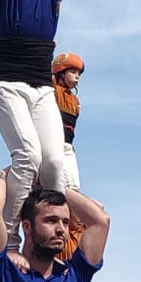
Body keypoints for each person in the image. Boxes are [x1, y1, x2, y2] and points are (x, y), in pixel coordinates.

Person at [0, 0, 96, 255]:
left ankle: (46, 244)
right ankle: (10, 241)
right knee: (28, 156)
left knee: (54, 164)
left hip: (40, 85)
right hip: (5, 81)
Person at [52, 51, 85, 191]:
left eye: (79, 73)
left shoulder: (74, 100)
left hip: (67, 145)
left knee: (74, 186)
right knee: (62, 184)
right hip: (53, 143)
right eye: (72, 72)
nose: (77, 76)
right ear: (61, 74)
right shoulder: (52, 90)